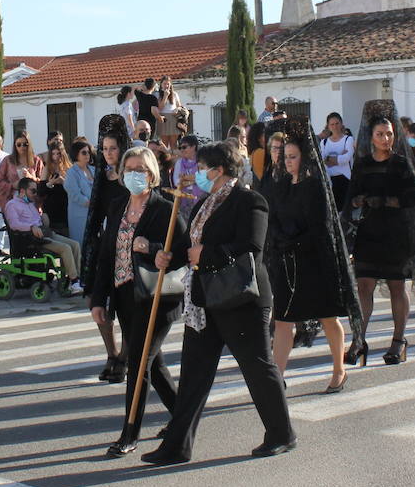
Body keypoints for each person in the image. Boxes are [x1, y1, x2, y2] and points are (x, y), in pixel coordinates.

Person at [141, 141, 295, 465]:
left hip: (241, 299)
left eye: (201, 167)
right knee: (194, 374)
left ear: (219, 169)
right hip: (204, 301)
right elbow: (187, 247)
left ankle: (281, 434)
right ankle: (177, 446)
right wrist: (164, 254)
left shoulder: (250, 200)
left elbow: (251, 246)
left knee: (257, 368)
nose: (197, 173)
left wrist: (206, 255)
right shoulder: (203, 205)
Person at [90, 147, 188, 456]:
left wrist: (155, 248)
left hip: (157, 298)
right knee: (153, 363)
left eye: (141, 169)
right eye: (129, 168)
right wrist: (98, 298)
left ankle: (129, 433)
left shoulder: (164, 208)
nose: (135, 174)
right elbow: (106, 255)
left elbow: (183, 251)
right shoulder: (117, 206)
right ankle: (183, 417)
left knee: (139, 362)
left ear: (152, 174)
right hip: (125, 297)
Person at [265, 125, 358, 394]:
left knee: (328, 318)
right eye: (286, 156)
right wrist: (280, 240)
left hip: (313, 262)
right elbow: (275, 218)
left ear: (304, 157)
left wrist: (293, 241)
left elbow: (321, 227)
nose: (288, 161)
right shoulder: (281, 185)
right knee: (283, 321)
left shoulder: (315, 185)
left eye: (293, 156)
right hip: (286, 262)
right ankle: (276, 378)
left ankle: (339, 369)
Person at [345, 113, 415, 366]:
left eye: (389, 133)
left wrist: (389, 201)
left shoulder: (402, 163)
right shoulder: (363, 164)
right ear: (371, 137)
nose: (385, 138)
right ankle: (359, 340)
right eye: (380, 134)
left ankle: (398, 341)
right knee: (363, 286)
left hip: (396, 233)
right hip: (370, 231)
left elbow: (414, 199)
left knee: (396, 286)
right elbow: (351, 195)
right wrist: (358, 200)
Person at [82, 115, 131, 383]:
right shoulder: (101, 176)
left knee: (126, 307)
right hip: (105, 246)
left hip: (129, 247)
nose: (108, 153)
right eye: (104, 149)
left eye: (113, 148)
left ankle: (124, 358)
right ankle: (111, 353)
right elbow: (95, 214)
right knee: (97, 302)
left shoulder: (133, 173)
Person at [4, 177, 82, 293]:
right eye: (33, 191)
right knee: (65, 248)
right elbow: (14, 224)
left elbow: (38, 221)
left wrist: (43, 219)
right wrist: (31, 227)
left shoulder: (31, 204)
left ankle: (78, 279)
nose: (35, 194)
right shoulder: (12, 205)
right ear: (22, 191)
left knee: (75, 245)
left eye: (36, 191)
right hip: (32, 239)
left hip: (45, 233)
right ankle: (74, 281)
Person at [0, 131, 44, 210]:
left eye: (25, 144)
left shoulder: (36, 160)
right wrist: (12, 185)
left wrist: (31, 178)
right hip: (13, 203)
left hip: (33, 204)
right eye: (19, 144)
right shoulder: (8, 160)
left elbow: (43, 182)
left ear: (29, 144)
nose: (22, 147)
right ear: (15, 145)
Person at [318, 113, 355, 213]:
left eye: (337, 123)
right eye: (332, 124)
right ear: (328, 126)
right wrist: (338, 158)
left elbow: (346, 158)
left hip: (345, 180)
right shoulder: (324, 142)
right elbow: (322, 160)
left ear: (341, 124)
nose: (335, 126)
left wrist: (330, 159)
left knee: (344, 213)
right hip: (330, 181)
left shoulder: (348, 139)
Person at [65, 140, 96, 248]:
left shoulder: (94, 170)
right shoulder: (71, 173)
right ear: (76, 154)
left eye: (88, 152)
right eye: (84, 152)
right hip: (79, 216)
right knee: (81, 245)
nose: (87, 155)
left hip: (95, 214)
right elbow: (75, 194)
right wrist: (90, 203)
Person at [39, 133, 70, 233]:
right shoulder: (47, 169)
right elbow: (40, 192)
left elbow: (73, 190)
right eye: (53, 154)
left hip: (66, 208)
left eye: (58, 154)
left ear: (63, 154)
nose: (56, 157)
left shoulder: (68, 168)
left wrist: (63, 182)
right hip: (50, 208)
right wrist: (49, 184)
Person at [171, 134, 206, 205]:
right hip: (184, 197)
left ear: (193, 147)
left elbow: (204, 179)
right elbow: (176, 181)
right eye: (180, 148)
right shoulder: (179, 162)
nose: (182, 150)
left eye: (184, 147)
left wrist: (185, 179)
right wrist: (193, 180)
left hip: (200, 197)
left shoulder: (202, 161)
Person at [155, 77, 184, 144]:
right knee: (164, 144)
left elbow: (179, 106)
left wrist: (177, 109)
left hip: (173, 118)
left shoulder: (175, 94)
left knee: (173, 144)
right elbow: (160, 108)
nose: (166, 86)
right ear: (161, 84)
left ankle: (174, 155)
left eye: (168, 84)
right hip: (163, 119)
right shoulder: (157, 94)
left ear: (170, 85)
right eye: (164, 84)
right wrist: (165, 96)